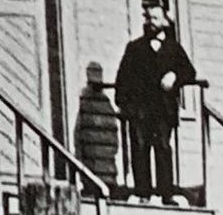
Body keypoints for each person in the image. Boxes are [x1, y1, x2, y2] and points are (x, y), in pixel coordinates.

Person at [115, 11, 198, 201]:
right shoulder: (135, 48)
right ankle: (143, 193)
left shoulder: (173, 48)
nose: (150, 22)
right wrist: (125, 104)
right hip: (141, 109)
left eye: (154, 18)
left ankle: (165, 194)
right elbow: (123, 78)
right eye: (148, 18)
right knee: (140, 147)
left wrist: (175, 76)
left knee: (162, 148)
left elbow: (189, 72)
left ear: (164, 22)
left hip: (163, 109)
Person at [72, 62, 122, 188]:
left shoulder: (94, 103)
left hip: (100, 164)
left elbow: (78, 134)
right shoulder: (101, 104)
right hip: (99, 165)